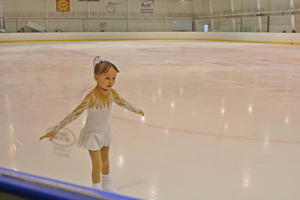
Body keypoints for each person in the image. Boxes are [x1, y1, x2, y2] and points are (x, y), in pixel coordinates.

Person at [40, 56, 145, 192]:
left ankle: (107, 184)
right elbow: (75, 113)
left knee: (106, 161)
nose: (111, 82)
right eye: (107, 78)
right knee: (97, 163)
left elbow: (122, 102)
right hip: (92, 133)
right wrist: (56, 129)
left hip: (104, 131)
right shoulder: (91, 96)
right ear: (96, 77)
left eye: (113, 78)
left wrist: (136, 110)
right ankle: (97, 189)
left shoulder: (112, 93)